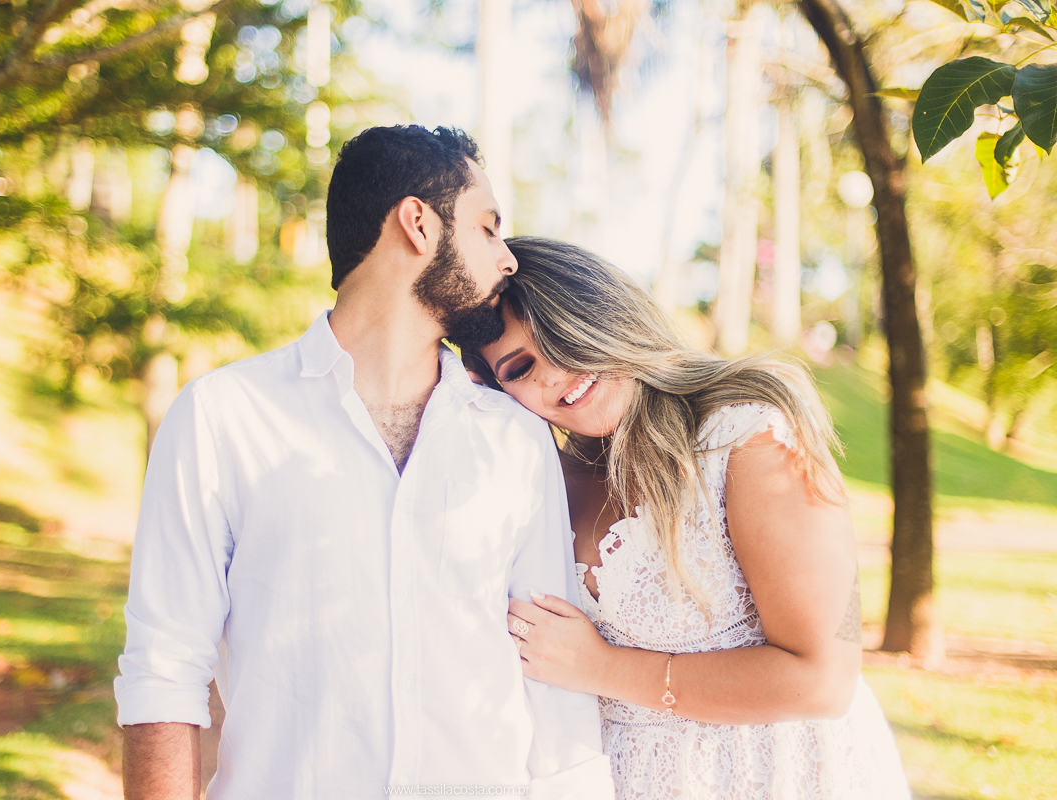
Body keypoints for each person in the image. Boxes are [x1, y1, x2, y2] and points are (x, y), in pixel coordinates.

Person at [114, 130, 614, 799]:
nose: (507, 259)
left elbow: (554, 685)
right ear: (417, 223)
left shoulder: (516, 440)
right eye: (488, 228)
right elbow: (163, 668)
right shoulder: (223, 416)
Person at [462, 236, 910, 800]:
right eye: (521, 367)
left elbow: (825, 679)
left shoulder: (749, 434)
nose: (556, 373)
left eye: (565, 334)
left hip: (777, 775)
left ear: (606, 313)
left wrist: (602, 667)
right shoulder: (540, 479)